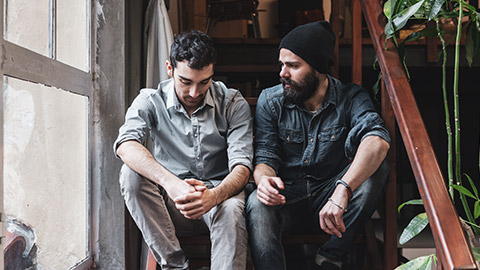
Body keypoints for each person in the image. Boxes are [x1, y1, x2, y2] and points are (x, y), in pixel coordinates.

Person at [246, 21, 390, 270]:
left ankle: (331, 258)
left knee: (378, 168)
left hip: (332, 198)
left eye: (293, 66)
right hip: (286, 198)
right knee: (257, 204)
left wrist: (343, 189)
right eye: (282, 64)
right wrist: (264, 180)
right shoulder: (271, 101)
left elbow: (376, 141)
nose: (283, 73)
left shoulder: (351, 98)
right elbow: (265, 157)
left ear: (319, 68)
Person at [114, 30, 253, 270]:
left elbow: (242, 167)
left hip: (220, 199)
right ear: (170, 68)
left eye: (204, 82)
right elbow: (125, 145)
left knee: (231, 210)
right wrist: (171, 184)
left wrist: (214, 196)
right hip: (170, 204)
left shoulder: (232, 103)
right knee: (130, 175)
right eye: (185, 81)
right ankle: (176, 267)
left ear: (212, 72)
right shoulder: (150, 100)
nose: (194, 93)